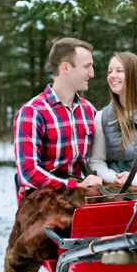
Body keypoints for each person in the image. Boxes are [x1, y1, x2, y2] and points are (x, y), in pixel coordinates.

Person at [14, 37, 103, 195]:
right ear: (66, 68)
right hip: (42, 199)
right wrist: (72, 185)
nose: (92, 73)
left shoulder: (88, 110)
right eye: (87, 66)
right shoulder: (32, 112)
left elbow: (98, 159)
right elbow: (28, 173)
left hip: (80, 195)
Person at [90, 51, 137, 188]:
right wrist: (112, 178)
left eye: (119, 70)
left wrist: (136, 178)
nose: (112, 76)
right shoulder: (101, 117)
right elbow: (96, 162)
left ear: (135, 75)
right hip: (115, 193)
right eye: (109, 71)